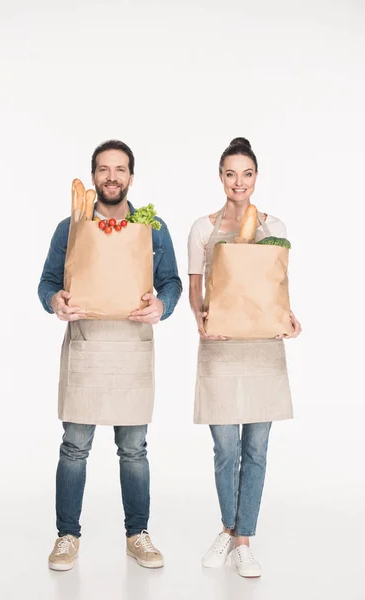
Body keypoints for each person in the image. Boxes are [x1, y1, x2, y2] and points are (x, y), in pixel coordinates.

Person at [38, 140, 182, 571]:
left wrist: (162, 305)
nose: (112, 177)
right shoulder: (71, 226)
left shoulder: (152, 227)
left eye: (120, 169)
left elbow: (171, 281)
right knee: (74, 447)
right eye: (104, 169)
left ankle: (137, 535)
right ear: (95, 175)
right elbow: (46, 281)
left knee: (134, 449)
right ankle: (67, 535)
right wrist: (55, 301)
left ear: (131, 177)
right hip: (86, 344)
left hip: (131, 347)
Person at [188, 137, 301, 578]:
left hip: (262, 348)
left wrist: (291, 320)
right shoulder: (202, 227)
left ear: (256, 178)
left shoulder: (277, 227)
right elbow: (197, 294)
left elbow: (276, 290)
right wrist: (201, 323)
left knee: (256, 449)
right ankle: (229, 526)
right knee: (225, 448)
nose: (239, 182)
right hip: (219, 348)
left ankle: (243, 540)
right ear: (220, 177)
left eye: (247, 173)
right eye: (231, 173)